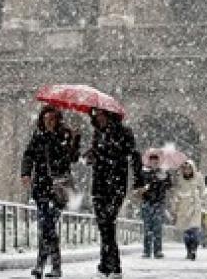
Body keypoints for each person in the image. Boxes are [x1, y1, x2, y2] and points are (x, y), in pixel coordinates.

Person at [20, 106, 80, 278]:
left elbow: (72, 158)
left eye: (52, 119)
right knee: (45, 226)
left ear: (57, 119)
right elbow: (28, 155)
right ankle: (48, 265)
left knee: (48, 226)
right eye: (46, 119)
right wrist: (25, 173)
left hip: (59, 188)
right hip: (41, 187)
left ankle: (47, 264)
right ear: (42, 119)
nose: (49, 122)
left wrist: (74, 141)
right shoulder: (37, 136)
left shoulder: (65, 135)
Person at [84, 109, 144, 279]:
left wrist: (138, 182)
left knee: (108, 223)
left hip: (116, 183)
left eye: (101, 114)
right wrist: (91, 156)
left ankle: (113, 266)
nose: (98, 117)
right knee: (103, 225)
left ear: (109, 115)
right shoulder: (97, 134)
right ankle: (106, 265)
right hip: (99, 184)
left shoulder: (124, 132)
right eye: (96, 115)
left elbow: (135, 156)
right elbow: (97, 156)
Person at [170, 160, 207, 260]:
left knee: (194, 230)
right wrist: (174, 209)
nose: (187, 171)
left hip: (195, 208)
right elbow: (176, 195)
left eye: (189, 168)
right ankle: (189, 250)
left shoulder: (198, 178)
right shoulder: (180, 180)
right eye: (185, 169)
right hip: (183, 209)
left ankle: (194, 249)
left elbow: (204, 191)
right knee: (186, 233)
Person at [139, 152, 172, 258]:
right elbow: (138, 186)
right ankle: (146, 250)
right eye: (152, 160)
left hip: (159, 202)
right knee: (147, 228)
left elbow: (169, 185)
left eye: (156, 160)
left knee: (157, 227)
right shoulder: (144, 172)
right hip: (147, 202)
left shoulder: (163, 172)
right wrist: (143, 188)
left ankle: (157, 250)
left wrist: (164, 178)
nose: (154, 162)